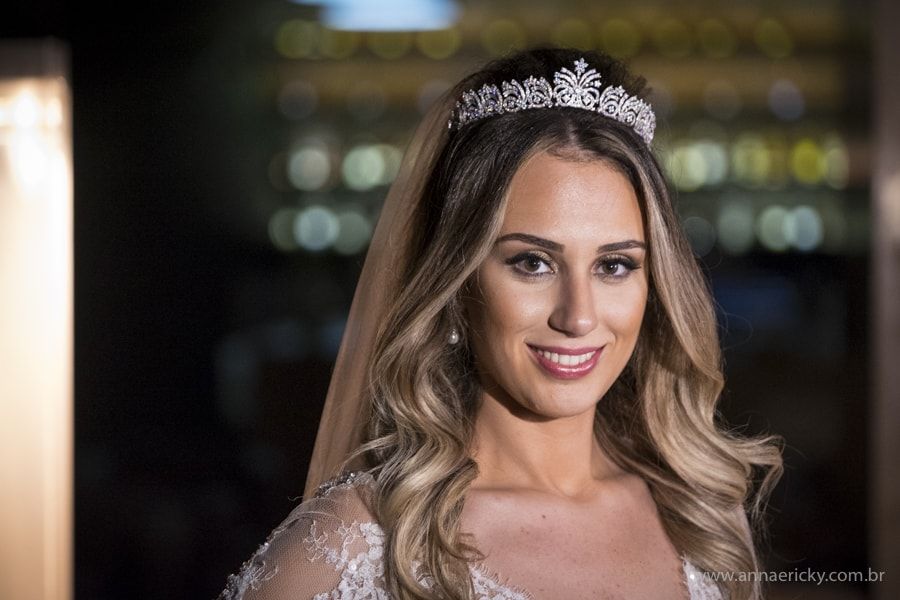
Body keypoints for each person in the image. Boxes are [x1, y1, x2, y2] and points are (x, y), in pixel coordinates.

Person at [218, 46, 783, 600]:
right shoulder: (353, 546)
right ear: (458, 282)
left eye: (614, 265)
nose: (578, 316)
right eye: (532, 263)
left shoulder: (702, 516)